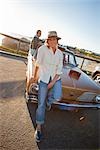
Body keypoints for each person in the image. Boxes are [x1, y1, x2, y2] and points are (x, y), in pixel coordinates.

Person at [32, 31, 63, 142]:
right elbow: (37, 64)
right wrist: (34, 78)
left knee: (57, 96)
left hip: (55, 78)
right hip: (44, 78)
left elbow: (59, 71)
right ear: (48, 41)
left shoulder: (60, 53)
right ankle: (39, 128)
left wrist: (52, 83)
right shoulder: (42, 50)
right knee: (40, 104)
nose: (53, 41)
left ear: (57, 41)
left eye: (55, 39)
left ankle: (48, 103)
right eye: (51, 39)